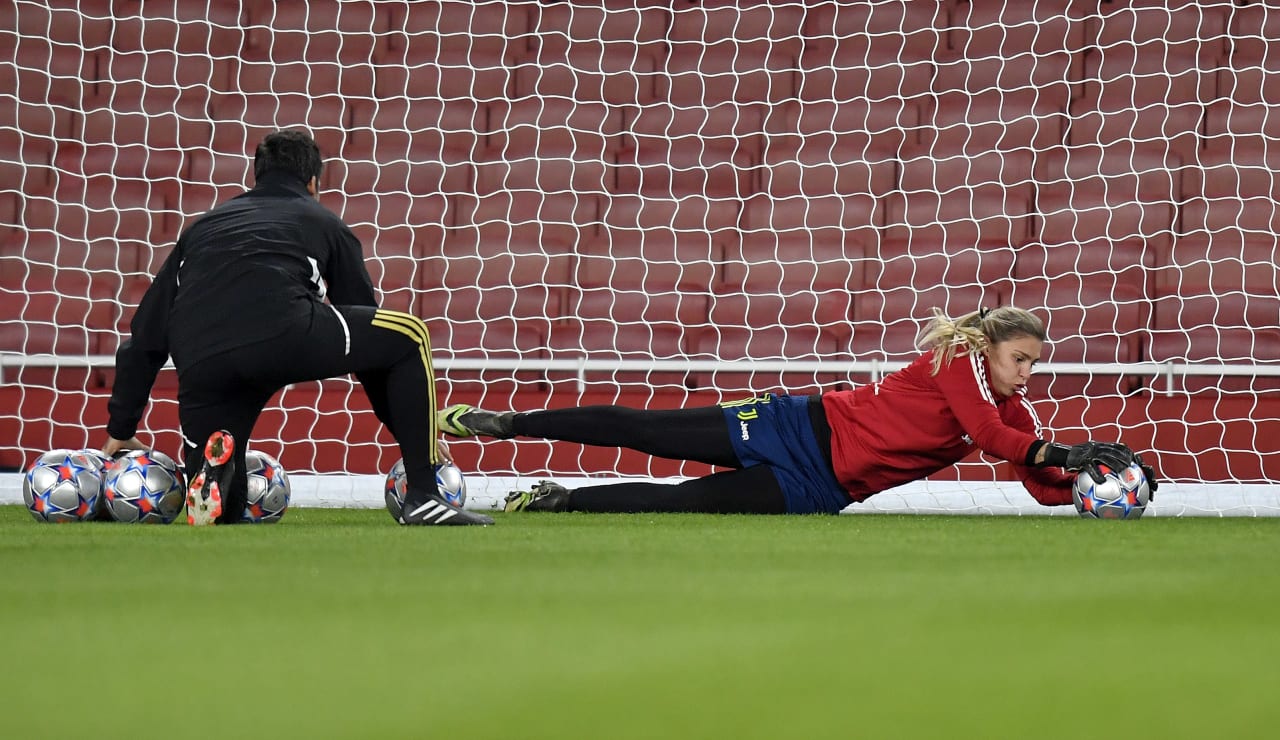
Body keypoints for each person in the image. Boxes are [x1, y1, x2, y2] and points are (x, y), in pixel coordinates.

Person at [101, 129, 492, 526]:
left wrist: (121, 425)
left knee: (226, 513)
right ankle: (424, 497)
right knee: (408, 335)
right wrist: (414, 435)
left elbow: (144, 338)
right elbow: (374, 350)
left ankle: (217, 474)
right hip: (281, 331)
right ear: (313, 183)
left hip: (201, 358)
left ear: (255, 177)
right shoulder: (323, 221)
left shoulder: (202, 229)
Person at [437, 306, 1158, 515]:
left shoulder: (1014, 418)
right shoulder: (956, 364)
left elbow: (1032, 477)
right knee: (646, 430)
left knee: (684, 503)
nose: (1028, 373)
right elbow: (989, 435)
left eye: (1036, 363)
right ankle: (508, 425)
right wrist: (1066, 452)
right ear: (990, 347)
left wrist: (1092, 482)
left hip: (820, 487)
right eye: (1021, 358)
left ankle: (560, 502)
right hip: (798, 423)